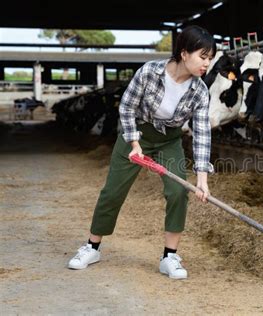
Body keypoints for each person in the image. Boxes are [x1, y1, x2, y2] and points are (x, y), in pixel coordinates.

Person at [68, 25, 216, 279]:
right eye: (203, 57)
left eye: (210, 59)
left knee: (178, 191)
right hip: (135, 134)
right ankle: (92, 247)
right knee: (113, 191)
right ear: (184, 53)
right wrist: (135, 145)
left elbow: (202, 133)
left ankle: (169, 256)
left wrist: (202, 180)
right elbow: (126, 108)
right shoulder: (150, 72)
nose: (207, 64)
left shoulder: (200, 91)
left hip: (169, 140)